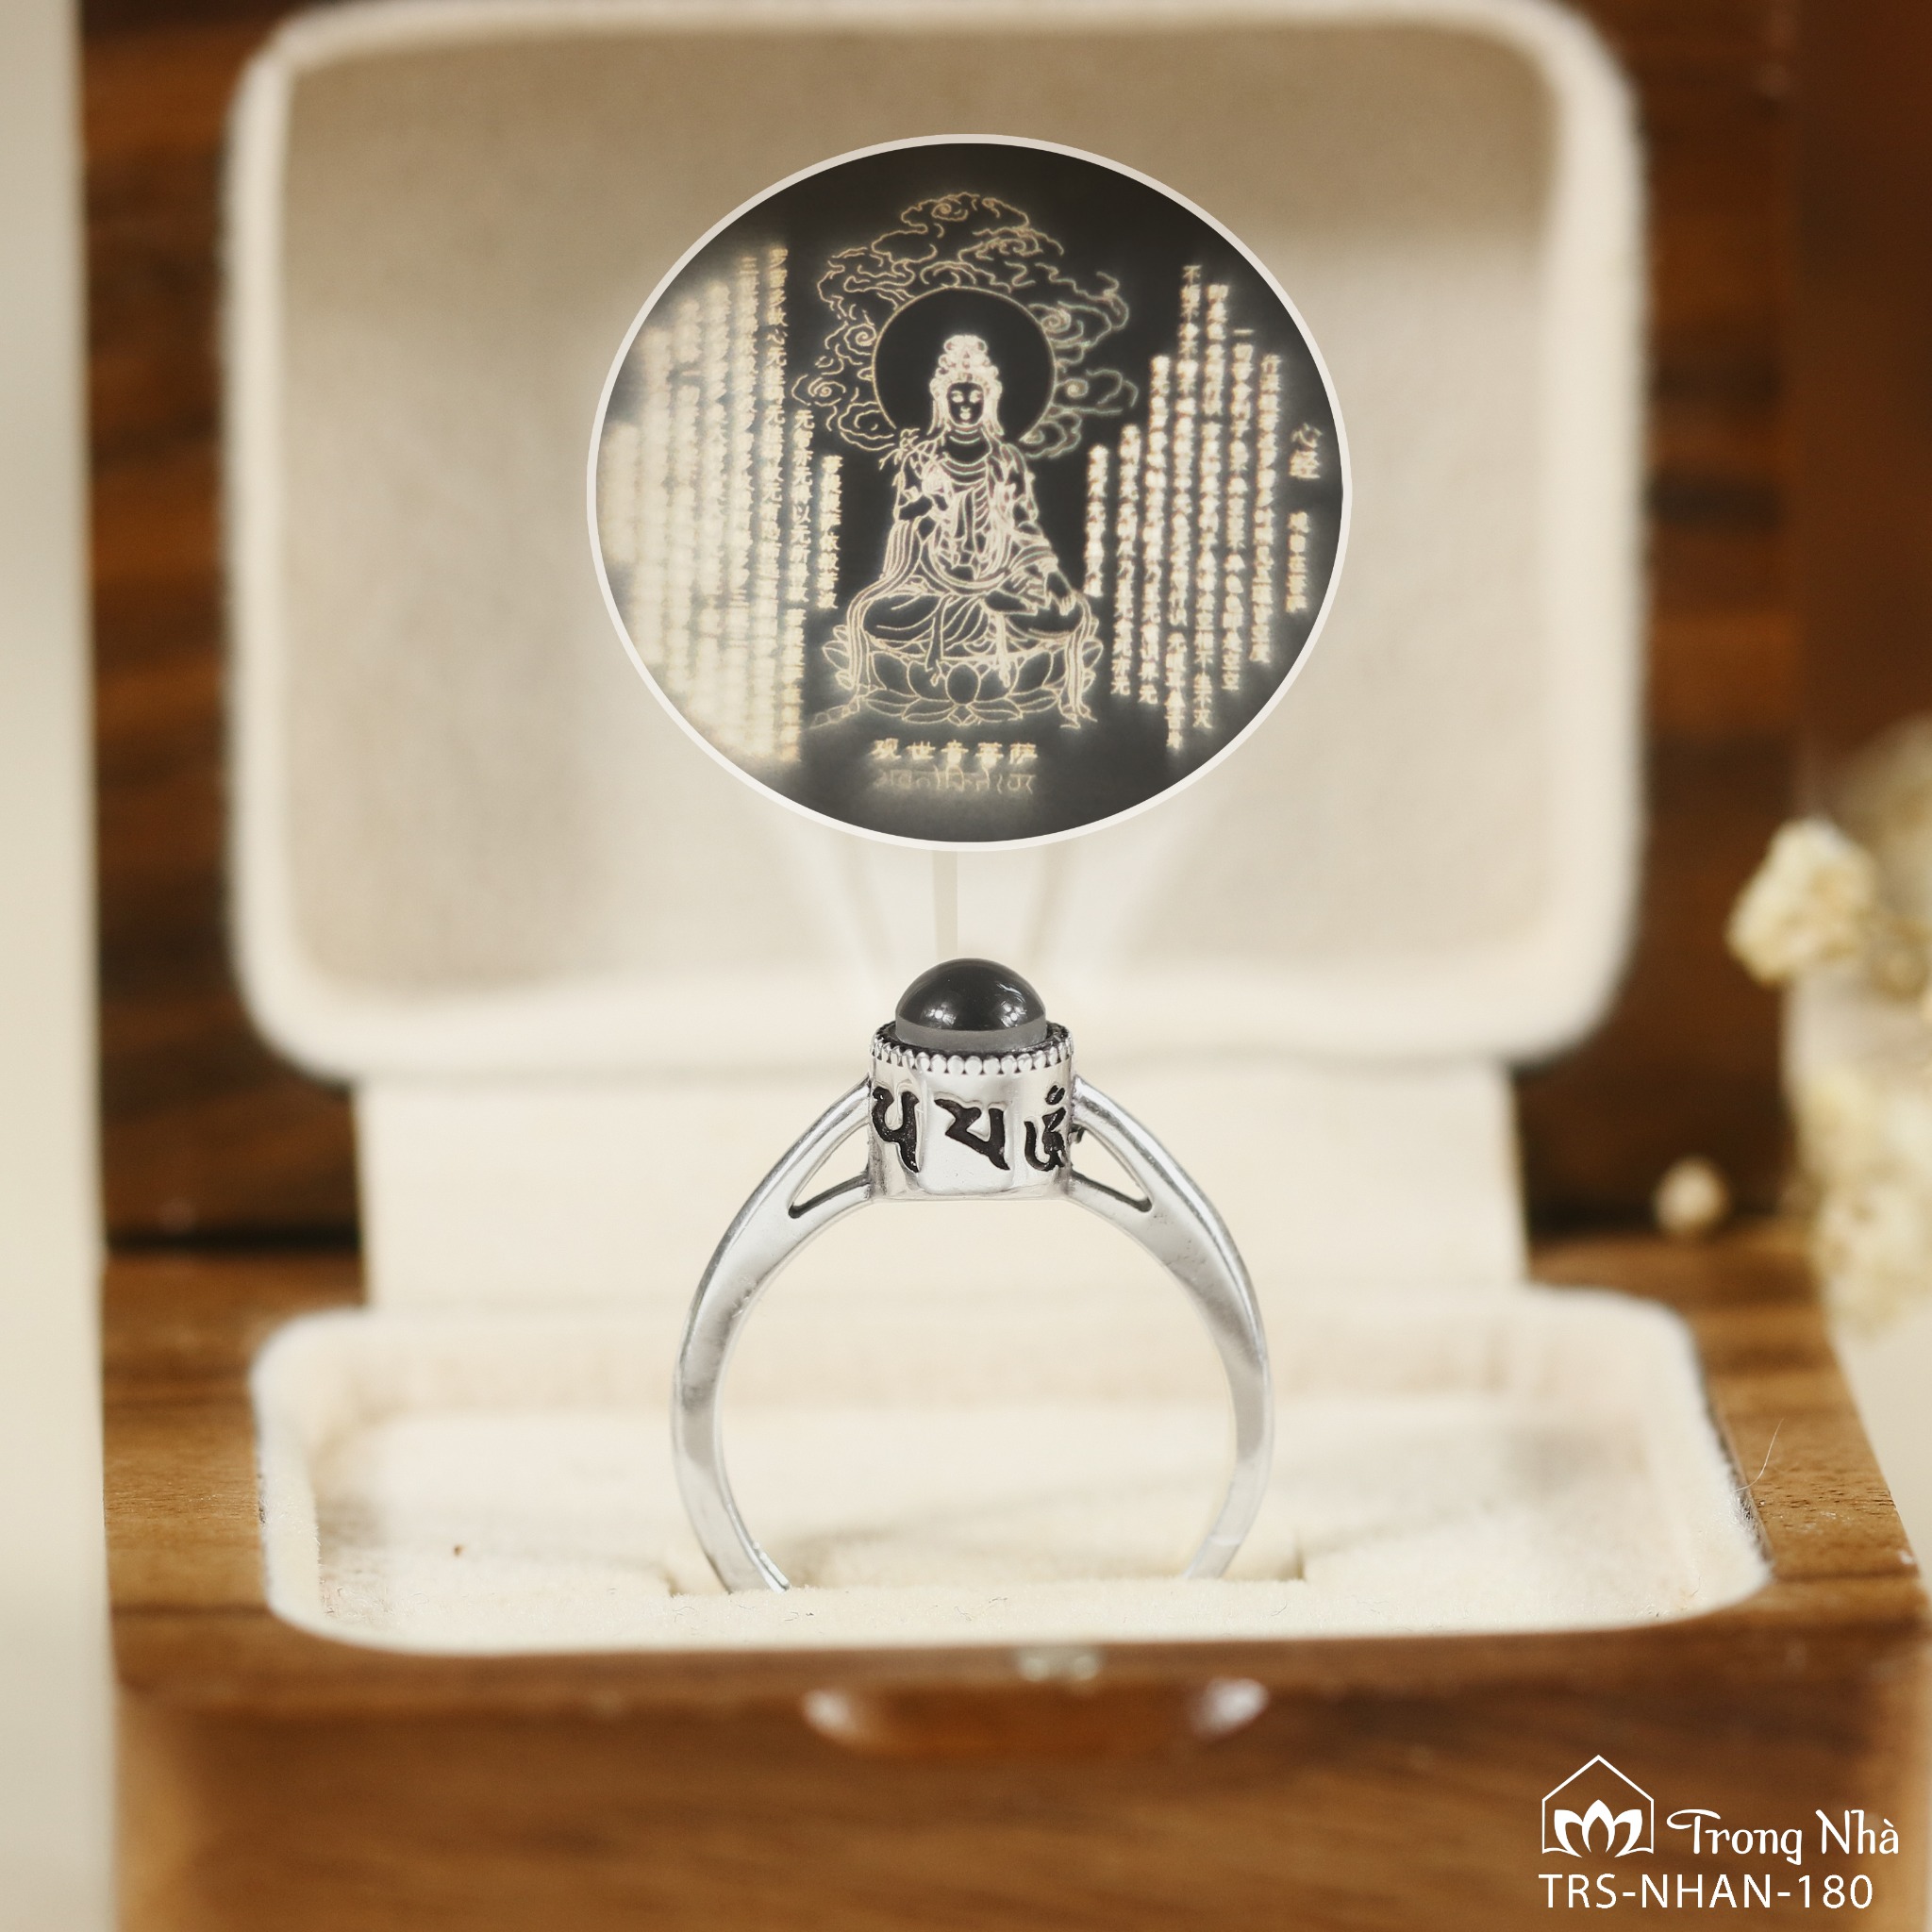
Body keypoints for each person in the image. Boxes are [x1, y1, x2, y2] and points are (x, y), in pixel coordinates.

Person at [822, 333, 1100, 729]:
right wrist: (930, 504)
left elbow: (1023, 521)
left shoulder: (1006, 459)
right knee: (868, 615)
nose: (965, 406)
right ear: (941, 400)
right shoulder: (922, 457)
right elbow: (905, 518)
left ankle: (1064, 700)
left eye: (974, 397)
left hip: (997, 578)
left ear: (989, 400)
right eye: (956, 397)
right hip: (935, 585)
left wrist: (1052, 575)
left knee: (1073, 614)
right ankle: (861, 697)